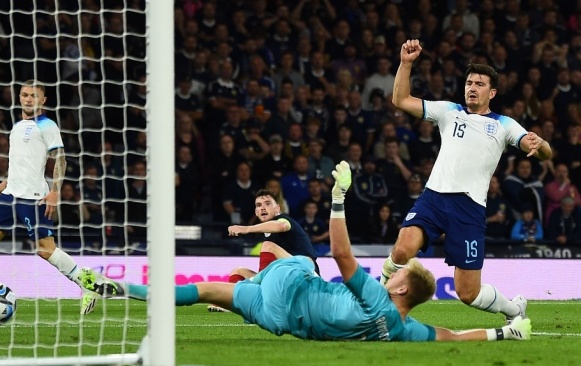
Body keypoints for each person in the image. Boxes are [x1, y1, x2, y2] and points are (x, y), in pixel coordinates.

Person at [78, 161, 532, 342]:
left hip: (291, 281)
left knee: (264, 260)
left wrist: (338, 195)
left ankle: (116, 287)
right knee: (209, 292)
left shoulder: (375, 296)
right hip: (278, 320)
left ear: (398, 283)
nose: (392, 272)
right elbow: (451, 338)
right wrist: (502, 335)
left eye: (397, 272)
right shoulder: (399, 330)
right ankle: (119, 287)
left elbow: (339, 252)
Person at [383, 39, 552, 323]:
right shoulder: (450, 112)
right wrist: (406, 63)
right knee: (403, 247)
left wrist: (541, 143)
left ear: (492, 92)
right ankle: (375, 295)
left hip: (469, 208)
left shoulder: (503, 124)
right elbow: (401, 101)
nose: (472, 87)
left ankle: (514, 309)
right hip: (434, 198)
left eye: (479, 84)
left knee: (467, 292)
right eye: (469, 82)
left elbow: (541, 151)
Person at [0, 80, 99, 315]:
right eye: (24, 95)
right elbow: (22, 163)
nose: (28, 99)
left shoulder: (47, 125)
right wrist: (5, 182)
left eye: (33, 95)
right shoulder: (18, 126)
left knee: (45, 250)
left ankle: (88, 286)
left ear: (43, 100)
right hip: (10, 195)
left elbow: (60, 159)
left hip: (33, 198)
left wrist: (55, 191)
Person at [208, 188, 319, 312]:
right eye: (259, 205)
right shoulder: (266, 232)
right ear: (256, 212)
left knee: (268, 246)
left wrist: (246, 229)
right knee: (237, 272)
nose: (263, 208)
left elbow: (281, 226)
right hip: (287, 281)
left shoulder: (284, 220)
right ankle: (234, 303)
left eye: (268, 204)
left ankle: (258, 294)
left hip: (308, 277)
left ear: (277, 208)